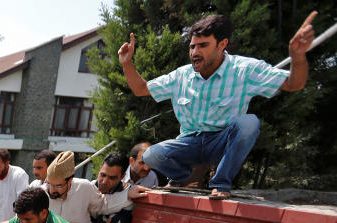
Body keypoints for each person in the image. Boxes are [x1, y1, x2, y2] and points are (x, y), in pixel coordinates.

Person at [118, 12, 317, 198]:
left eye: (203, 46)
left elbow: (293, 84)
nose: (195, 52)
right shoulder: (181, 75)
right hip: (189, 143)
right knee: (152, 155)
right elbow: (141, 89)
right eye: (192, 47)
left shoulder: (245, 69)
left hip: (222, 142)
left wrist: (297, 57)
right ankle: (186, 178)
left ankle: (220, 183)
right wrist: (127, 64)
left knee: (249, 123)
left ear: (222, 44)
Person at [43, 151, 144, 223]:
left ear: (70, 181)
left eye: (58, 185)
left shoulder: (83, 188)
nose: (51, 190)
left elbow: (103, 204)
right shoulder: (41, 192)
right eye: (49, 184)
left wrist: (126, 195)